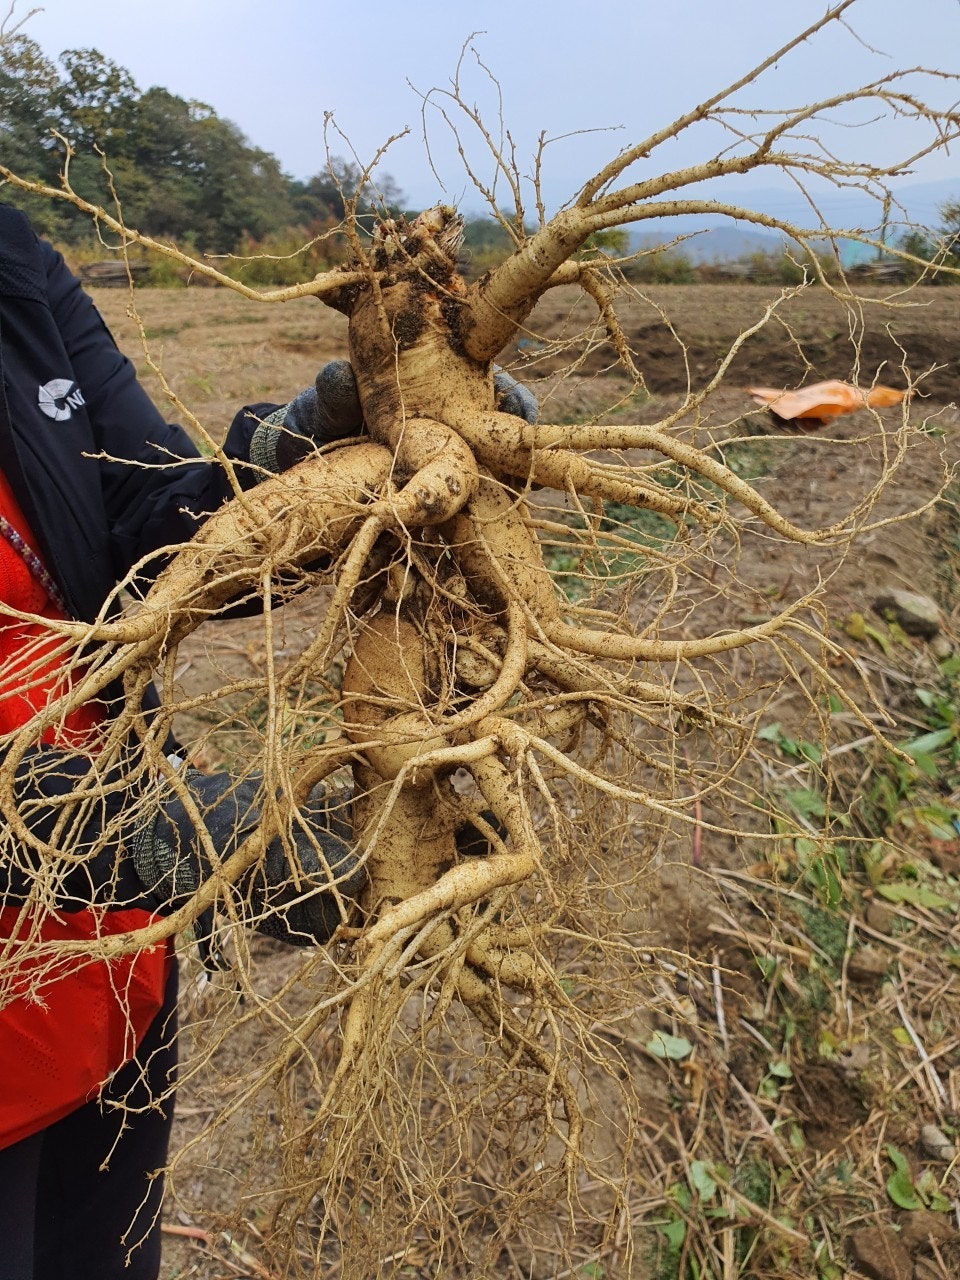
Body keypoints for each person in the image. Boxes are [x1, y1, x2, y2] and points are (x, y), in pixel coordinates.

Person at [0, 203, 371, 1280]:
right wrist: (162, 837)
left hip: (105, 973)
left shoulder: (12, 258)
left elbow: (134, 500)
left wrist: (291, 467)